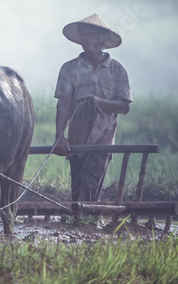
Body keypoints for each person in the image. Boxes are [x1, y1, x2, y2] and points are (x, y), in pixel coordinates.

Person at [52, 14, 131, 202]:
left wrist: (98, 101)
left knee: (91, 181)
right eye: (83, 34)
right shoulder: (69, 68)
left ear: (102, 39)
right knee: (78, 183)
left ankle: (86, 219)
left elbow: (124, 106)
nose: (85, 39)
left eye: (90, 34)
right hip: (76, 138)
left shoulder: (116, 70)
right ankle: (80, 219)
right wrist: (59, 136)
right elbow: (64, 102)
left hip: (103, 137)